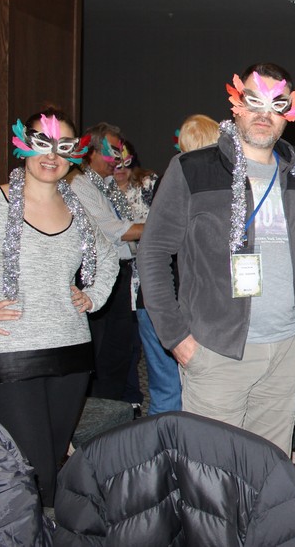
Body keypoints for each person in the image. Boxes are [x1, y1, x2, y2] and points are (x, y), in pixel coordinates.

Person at [137, 63, 295, 455]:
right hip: (217, 351)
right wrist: (176, 337)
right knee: (212, 470)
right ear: (236, 103)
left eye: (276, 104)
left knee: (269, 466)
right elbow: (152, 253)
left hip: (287, 349)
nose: (264, 113)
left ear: (290, 112)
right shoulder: (192, 169)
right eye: (254, 100)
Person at [0, 110, 117, 506]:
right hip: (10, 356)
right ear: (22, 145)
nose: (52, 155)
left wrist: (93, 295)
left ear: (74, 154)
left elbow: (108, 256)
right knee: (30, 473)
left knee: (50, 468)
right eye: (42, 142)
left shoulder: (76, 209)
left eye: (63, 146)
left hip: (71, 353)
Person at [69, 122, 144, 410]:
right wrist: (162, 227)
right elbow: (115, 231)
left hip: (120, 273)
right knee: (99, 353)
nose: (117, 158)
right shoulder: (79, 184)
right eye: (111, 151)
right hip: (94, 275)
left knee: (120, 350)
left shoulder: (107, 185)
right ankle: (97, 417)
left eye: (119, 152)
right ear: (90, 151)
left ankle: (112, 413)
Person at [114, 142, 182, 416]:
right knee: (160, 375)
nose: (119, 168)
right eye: (113, 162)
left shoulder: (150, 183)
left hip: (159, 284)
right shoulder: (97, 188)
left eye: (124, 162)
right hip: (142, 284)